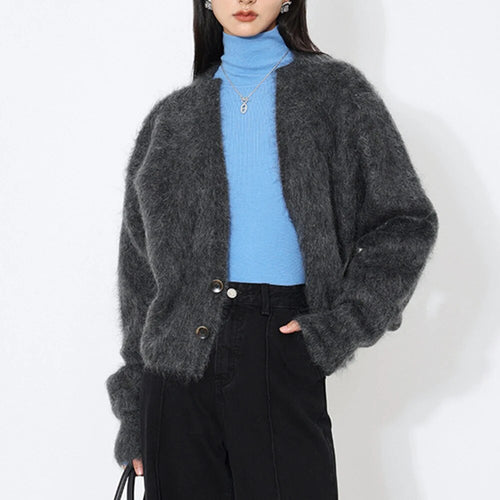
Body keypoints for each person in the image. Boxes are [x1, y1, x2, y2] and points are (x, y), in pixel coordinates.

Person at [105, 1, 439, 498]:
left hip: (279, 345)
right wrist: (134, 410)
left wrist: (343, 324)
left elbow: (405, 222)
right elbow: (139, 275)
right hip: (175, 375)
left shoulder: (337, 94)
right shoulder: (172, 119)